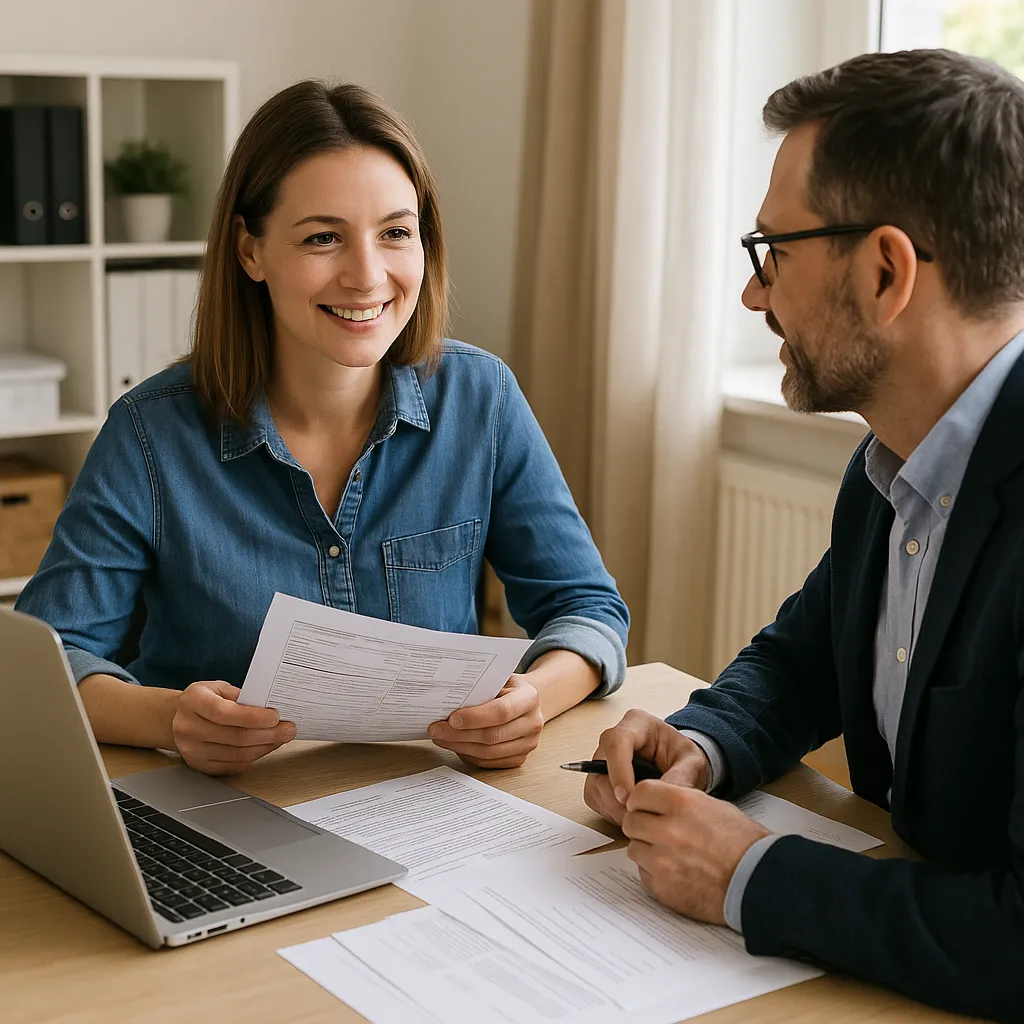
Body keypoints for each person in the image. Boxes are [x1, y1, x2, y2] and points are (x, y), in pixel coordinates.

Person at [583, 49, 1024, 1022]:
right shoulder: (895, 456)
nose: (754, 294)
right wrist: (701, 741)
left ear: (883, 270)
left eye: (770, 253)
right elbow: (804, 659)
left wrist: (750, 875)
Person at [16, 81, 628, 777]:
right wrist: (170, 718)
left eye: (396, 233)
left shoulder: (480, 398)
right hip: (220, 814)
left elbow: (587, 608)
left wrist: (532, 701)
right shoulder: (150, 433)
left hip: (429, 804)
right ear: (250, 252)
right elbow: (48, 657)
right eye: (323, 238)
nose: (367, 277)